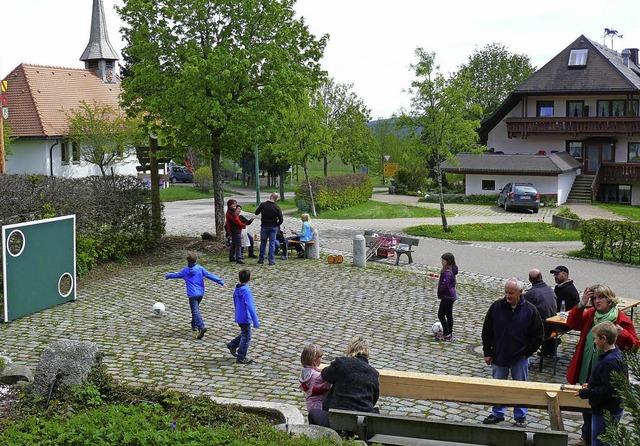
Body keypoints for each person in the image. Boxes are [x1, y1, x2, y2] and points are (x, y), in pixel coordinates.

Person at [565, 284, 639, 446]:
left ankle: (598, 437)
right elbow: (571, 323)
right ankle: (586, 436)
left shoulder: (620, 319)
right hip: (588, 364)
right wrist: (581, 304)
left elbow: (634, 345)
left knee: (601, 398)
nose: (597, 301)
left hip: (607, 368)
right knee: (588, 399)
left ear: (610, 299)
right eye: (595, 298)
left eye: (601, 298)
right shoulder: (591, 314)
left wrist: (623, 334)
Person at [481, 277, 543, 427]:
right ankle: (497, 413)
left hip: (519, 357)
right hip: (500, 354)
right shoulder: (496, 307)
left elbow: (538, 335)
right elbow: (487, 331)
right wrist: (487, 352)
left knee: (520, 387)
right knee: (498, 387)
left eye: (511, 293)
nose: (508, 296)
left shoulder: (530, 310)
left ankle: (520, 416)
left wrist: (527, 353)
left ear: (520, 292)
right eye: (506, 292)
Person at [308, 335, 380, 428]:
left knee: (314, 413)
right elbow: (373, 399)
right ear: (367, 353)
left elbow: (325, 375)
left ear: (350, 349)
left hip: (336, 422)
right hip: (360, 426)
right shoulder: (373, 373)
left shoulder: (341, 363)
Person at [577, 321, 628, 446]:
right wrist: (592, 385)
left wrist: (587, 393)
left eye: (595, 338)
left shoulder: (609, 362)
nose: (594, 341)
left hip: (606, 410)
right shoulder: (617, 355)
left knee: (600, 442)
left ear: (603, 339)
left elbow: (609, 390)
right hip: (610, 408)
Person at [165, 252, 227, 339]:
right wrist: (220, 282)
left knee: (195, 310)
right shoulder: (200, 268)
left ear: (187, 261)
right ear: (196, 259)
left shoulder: (185, 271)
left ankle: (201, 326)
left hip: (192, 294)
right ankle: (194, 325)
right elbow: (210, 275)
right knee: (195, 309)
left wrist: (168, 275)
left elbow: (176, 275)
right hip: (200, 293)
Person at [226, 269, 260, 365]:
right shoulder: (247, 291)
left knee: (244, 333)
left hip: (239, 316)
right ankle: (241, 356)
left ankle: (232, 344)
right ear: (249, 279)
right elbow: (250, 306)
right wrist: (255, 320)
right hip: (245, 317)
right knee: (246, 337)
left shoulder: (236, 290)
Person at [524, 268, 558, 356]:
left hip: (543, 329)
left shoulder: (530, 294)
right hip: (553, 324)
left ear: (530, 279)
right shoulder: (550, 289)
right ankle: (549, 347)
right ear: (541, 277)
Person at [299, 344, 332, 412]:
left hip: (310, 402)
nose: (321, 359)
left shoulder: (305, 372)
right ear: (314, 359)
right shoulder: (316, 376)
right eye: (320, 357)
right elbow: (327, 383)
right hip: (317, 405)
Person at [254, 192, 284, 265]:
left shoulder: (263, 204)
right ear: (276, 199)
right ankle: (271, 260)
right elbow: (281, 219)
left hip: (264, 226)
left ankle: (261, 259)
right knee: (272, 243)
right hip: (273, 227)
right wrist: (277, 224)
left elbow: (256, 213)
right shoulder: (277, 207)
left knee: (263, 243)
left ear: (270, 196)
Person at [436, 252, 458, 342]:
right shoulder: (452, 270)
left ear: (448, 261)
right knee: (449, 315)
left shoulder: (447, 272)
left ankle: (447, 334)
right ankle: (449, 332)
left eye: (443, 260)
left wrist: (440, 289)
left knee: (441, 315)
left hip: (446, 296)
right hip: (451, 296)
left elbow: (445, 284)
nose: (442, 262)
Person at [225, 199, 245, 264]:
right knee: (238, 244)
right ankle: (238, 257)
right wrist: (243, 225)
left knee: (234, 244)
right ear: (230, 205)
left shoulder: (231, 212)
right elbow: (236, 221)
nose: (235, 205)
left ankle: (232, 256)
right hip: (235, 230)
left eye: (235, 204)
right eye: (234, 204)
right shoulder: (231, 213)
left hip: (233, 230)